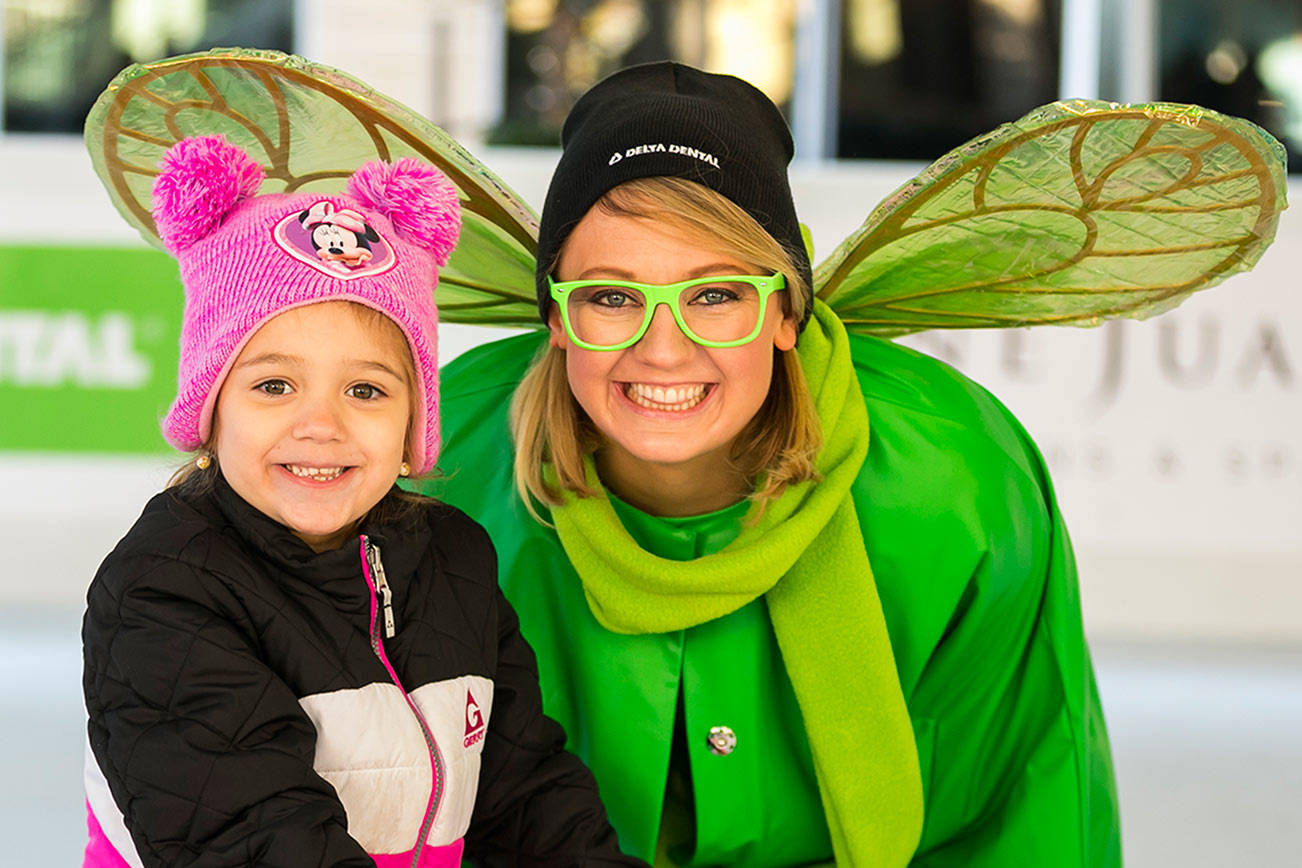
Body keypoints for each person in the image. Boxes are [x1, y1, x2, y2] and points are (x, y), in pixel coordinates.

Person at [428, 62, 1121, 866]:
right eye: (611, 297)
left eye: (715, 295)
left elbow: (1026, 801)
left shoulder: (953, 485)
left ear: (787, 310)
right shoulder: (447, 466)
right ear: (555, 314)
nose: (661, 349)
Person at [81, 135, 643, 868]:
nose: (321, 425)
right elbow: (253, 837)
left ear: (414, 424)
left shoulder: (453, 562)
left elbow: (524, 795)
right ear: (211, 411)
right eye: (274, 385)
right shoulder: (162, 592)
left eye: (366, 390)